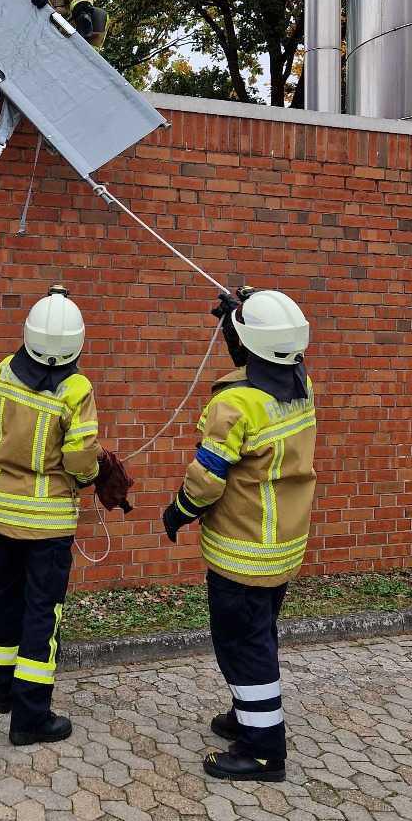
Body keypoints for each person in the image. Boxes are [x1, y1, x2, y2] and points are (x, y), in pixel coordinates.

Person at [162, 289, 317, 782]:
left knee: (241, 645)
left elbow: (208, 477)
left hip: (242, 551)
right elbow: (265, 353)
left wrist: (178, 511)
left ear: (244, 342)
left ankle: (263, 751)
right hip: (281, 546)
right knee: (258, 635)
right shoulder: (301, 386)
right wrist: (242, 316)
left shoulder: (235, 404)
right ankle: (245, 715)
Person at [0, 285, 101, 745]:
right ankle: (31, 718)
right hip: (49, 521)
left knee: (7, 603)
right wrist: (94, 471)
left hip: (3, 514)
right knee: (42, 614)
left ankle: (4, 692)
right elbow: (79, 460)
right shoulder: (76, 389)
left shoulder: (0, 375)